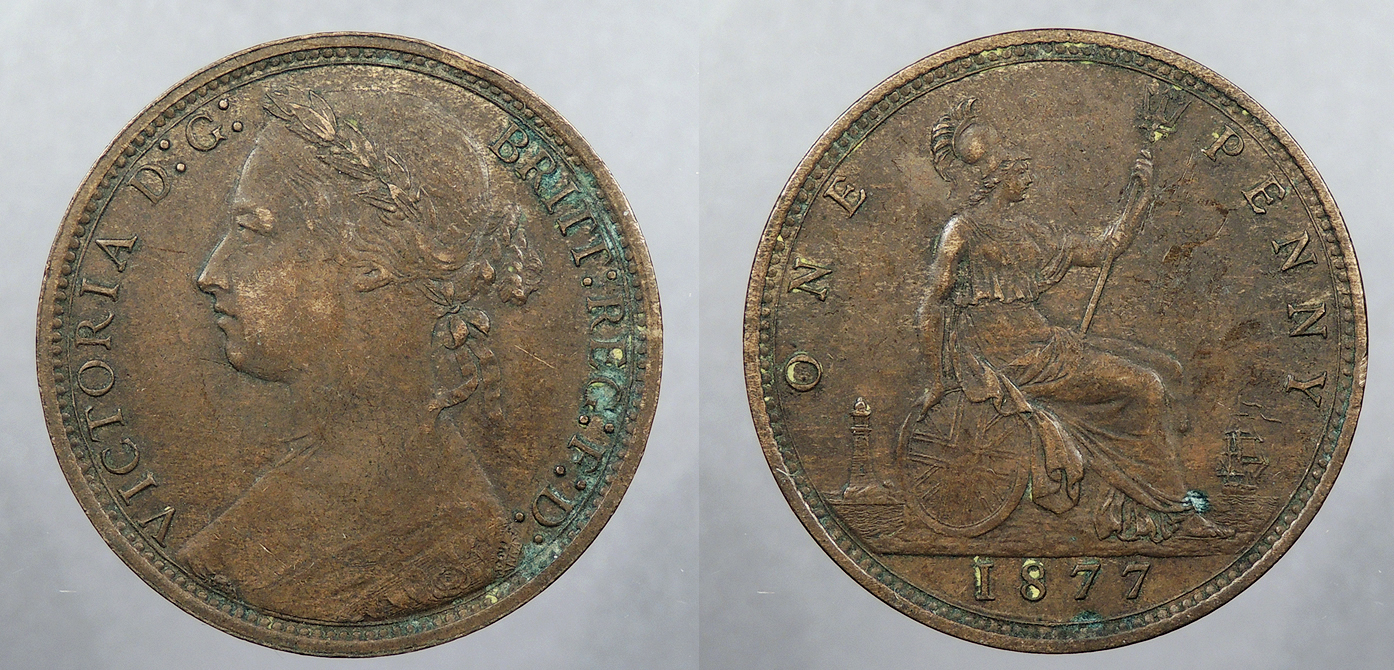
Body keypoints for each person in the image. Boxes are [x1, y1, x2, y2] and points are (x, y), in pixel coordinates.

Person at [176, 87, 541, 622]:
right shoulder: (297, 491)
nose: (210, 274)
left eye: (251, 231)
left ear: (371, 262)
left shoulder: (453, 539)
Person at [915, 98, 1230, 543]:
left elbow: (1105, 247)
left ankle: (1136, 504)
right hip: (1007, 358)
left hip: (1043, 344)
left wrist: (1140, 197)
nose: (1029, 179)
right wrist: (936, 379)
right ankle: (1171, 510)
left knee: (1163, 367)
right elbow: (931, 304)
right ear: (997, 177)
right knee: (1145, 386)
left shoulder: (1030, 232)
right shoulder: (961, 231)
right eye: (1022, 171)